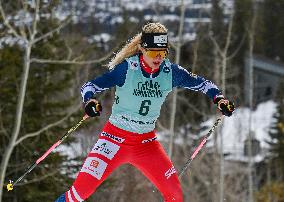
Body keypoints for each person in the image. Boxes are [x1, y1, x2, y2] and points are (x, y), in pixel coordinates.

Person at [55, 22, 234, 202]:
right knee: (78, 194)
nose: (158, 58)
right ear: (141, 48)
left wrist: (219, 99)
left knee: (175, 195)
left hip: (146, 144)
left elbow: (204, 84)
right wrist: (89, 101)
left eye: (162, 52)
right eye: (153, 52)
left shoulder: (170, 72)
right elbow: (90, 86)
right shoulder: (127, 69)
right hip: (113, 140)